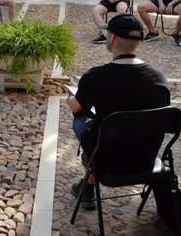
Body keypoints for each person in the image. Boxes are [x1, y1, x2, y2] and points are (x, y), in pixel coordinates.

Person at [67, 13, 170, 210]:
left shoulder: (96, 77)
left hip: (107, 159)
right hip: (146, 157)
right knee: (115, 127)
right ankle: (87, 186)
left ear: (112, 38)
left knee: (82, 117)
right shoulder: (158, 77)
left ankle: (88, 185)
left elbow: (75, 107)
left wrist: (73, 94)